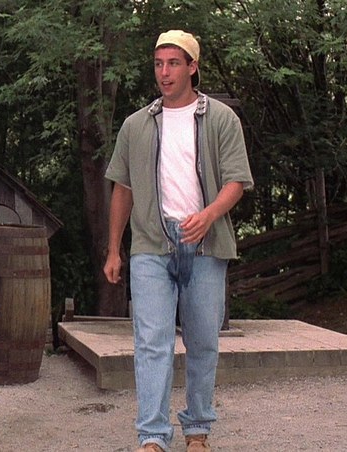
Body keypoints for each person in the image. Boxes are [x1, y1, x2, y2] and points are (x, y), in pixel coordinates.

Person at [103, 30, 254, 452]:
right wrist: (114, 249)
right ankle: (152, 436)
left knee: (203, 341)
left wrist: (208, 216)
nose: (164, 72)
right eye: (158, 64)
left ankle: (198, 430)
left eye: (173, 63)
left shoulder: (221, 118)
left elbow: (237, 181)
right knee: (151, 343)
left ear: (192, 67)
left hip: (205, 243)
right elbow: (123, 189)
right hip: (151, 244)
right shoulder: (136, 125)